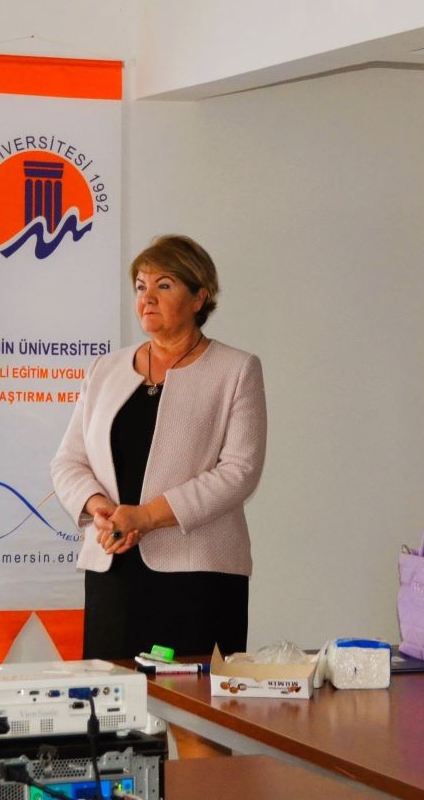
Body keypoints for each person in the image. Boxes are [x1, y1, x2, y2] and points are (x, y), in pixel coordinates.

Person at [52, 234, 267, 662]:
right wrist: (101, 510)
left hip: (199, 576)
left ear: (199, 298)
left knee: (193, 703)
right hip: (114, 568)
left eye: (163, 285)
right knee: (113, 699)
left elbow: (239, 471)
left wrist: (147, 516)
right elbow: (68, 462)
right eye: (140, 286)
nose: (147, 298)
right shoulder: (105, 369)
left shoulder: (236, 370)